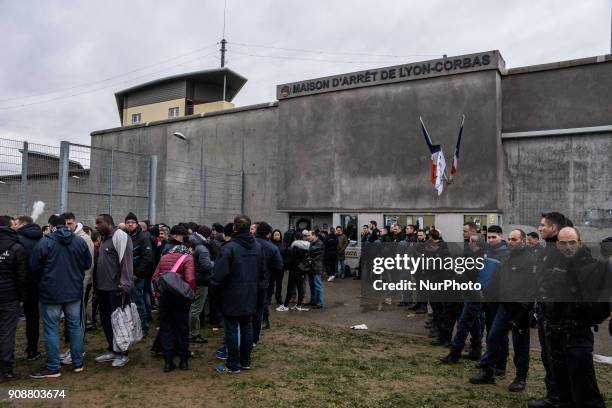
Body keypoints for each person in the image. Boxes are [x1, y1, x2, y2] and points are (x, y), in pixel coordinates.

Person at [536, 226, 607, 407]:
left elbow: (602, 307)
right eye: (563, 243)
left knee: (584, 387)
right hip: (555, 332)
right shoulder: (555, 265)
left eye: (572, 242)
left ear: (579, 243)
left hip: (577, 334)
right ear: (557, 245)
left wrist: (578, 301)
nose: (568, 247)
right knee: (562, 386)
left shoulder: (593, 267)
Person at [469, 229, 536, 391]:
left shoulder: (530, 260)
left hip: (520, 309)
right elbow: (497, 279)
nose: (511, 242)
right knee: (493, 338)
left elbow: (532, 288)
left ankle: (520, 378)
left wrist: (525, 309)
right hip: (503, 306)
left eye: (514, 239)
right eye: (510, 239)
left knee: (520, 346)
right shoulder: (506, 257)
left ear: (523, 241)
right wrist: (488, 296)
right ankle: (488, 372)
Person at [29, 214, 91, 379]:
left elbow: (34, 267)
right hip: (74, 292)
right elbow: (87, 264)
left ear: (50, 226)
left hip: (51, 293)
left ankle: (53, 367)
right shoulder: (79, 241)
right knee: (75, 327)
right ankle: (78, 363)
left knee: (51, 328)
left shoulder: (45, 242)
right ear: (65, 225)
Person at [211, 215, 265, 374]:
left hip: (232, 295)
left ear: (234, 228)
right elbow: (262, 272)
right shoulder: (257, 246)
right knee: (247, 327)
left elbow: (219, 274)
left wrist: (214, 290)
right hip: (250, 294)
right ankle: (245, 361)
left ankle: (233, 364)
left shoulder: (229, 248)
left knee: (232, 329)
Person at [528, 212, 571, 408]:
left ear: (553, 228)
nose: (539, 228)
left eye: (543, 225)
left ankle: (561, 399)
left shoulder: (562, 251)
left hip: (558, 317)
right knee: (549, 356)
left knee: (559, 359)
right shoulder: (547, 250)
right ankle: (553, 396)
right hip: (546, 312)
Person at [93, 214, 133, 368]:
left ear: (109, 223)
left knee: (120, 323)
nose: (96, 226)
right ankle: (112, 349)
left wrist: (124, 285)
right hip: (102, 289)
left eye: (99, 222)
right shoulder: (104, 238)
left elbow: (126, 262)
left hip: (116, 289)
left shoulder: (120, 236)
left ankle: (123, 353)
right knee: (106, 321)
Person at [151, 244, 196, 372]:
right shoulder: (188, 258)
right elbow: (190, 279)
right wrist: (190, 297)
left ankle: (168, 362)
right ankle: (183, 361)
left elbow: (155, 277)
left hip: (165, 299)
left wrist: (158, 294)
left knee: (166, 329)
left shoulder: (164, 257)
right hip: (181, 299)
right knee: (182, 329)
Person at [60, 212, 95, 365]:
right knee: (71, 320)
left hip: (80, 285)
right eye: (65, 224)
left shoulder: (84, 239)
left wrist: (82, 286)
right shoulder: (67, 237)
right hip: (70, 286)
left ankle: (78, 351)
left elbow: (89, 266)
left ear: (75, 222)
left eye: (70, 224)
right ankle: (73, 350)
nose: (68, 227)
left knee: (79, 320)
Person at [0, 215, 27, 381]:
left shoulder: (17, 246)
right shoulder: (17, 247)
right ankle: (5, 369)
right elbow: (21, 277)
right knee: (7, 333)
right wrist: (21, 297)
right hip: (10, 297)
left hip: (9, 295)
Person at [13, 215, 43, 360]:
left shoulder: (17, 240)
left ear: (24, 224)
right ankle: (32, 349)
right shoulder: (42, 238)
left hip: (19, 284)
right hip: (37, 284)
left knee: (10, 318)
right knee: (33, 317)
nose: (14, 225)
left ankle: (9, 353)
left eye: (16, 223)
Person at [124, 212, 153, 337]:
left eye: (132, 222)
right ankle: (133, 326)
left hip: (138, 276)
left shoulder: (143, 237)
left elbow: (147, 258)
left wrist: (137, 274)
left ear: (136, 224)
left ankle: (143, 328)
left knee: (138, 302)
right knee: (129, 302)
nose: (130, 224)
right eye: (128, 222)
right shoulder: (125, 236)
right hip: (126, 275)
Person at [254, 222, 283, 336]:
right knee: (263, 304)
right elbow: (279, 266)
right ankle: (263, 323)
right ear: (268, 234)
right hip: (265, 279)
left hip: (248, 279)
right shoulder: (272, 247)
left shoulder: (248, 243)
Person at [187, 227, 214, 344]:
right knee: (196, 309)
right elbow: (206, 266)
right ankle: (194, 334)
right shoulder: (202, 248)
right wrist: (216, 263)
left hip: (195, 279)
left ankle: (191, 332)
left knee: (193, 307)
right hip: (201, 281)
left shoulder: (195, 245)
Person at [277, 231, 310, 312]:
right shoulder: (307, 247)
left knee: (290, 288)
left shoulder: (293, 248)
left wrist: (285, 266)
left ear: (295, 238)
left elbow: (289, 260)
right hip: (302, 270)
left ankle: (285, 306)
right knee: (300, 288)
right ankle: (298, 305)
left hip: (294, 270)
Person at [305, 230, 324, 308]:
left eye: (309, 235)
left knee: (317, 285)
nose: (307, 237)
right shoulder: (311, 243)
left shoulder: (319, 244)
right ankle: (313, 301)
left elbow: (311, 253)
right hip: (311, 267)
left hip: (316, 267)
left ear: (314, 235)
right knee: (312, 285)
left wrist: (307, 254)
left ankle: (319, 303)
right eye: (307, 236)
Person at [270, 229, 286, 305]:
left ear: (280, 236)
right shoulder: (269, 243)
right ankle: (269, 298)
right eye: (275, 234)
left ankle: (278, 297)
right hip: (271, 267)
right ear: (273, 235)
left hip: (280, 267)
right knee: (271, 283)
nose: (277, 236)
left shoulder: (283, 244)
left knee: (279, 284)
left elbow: (286, 255)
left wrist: (284, 263)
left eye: (278, 234)